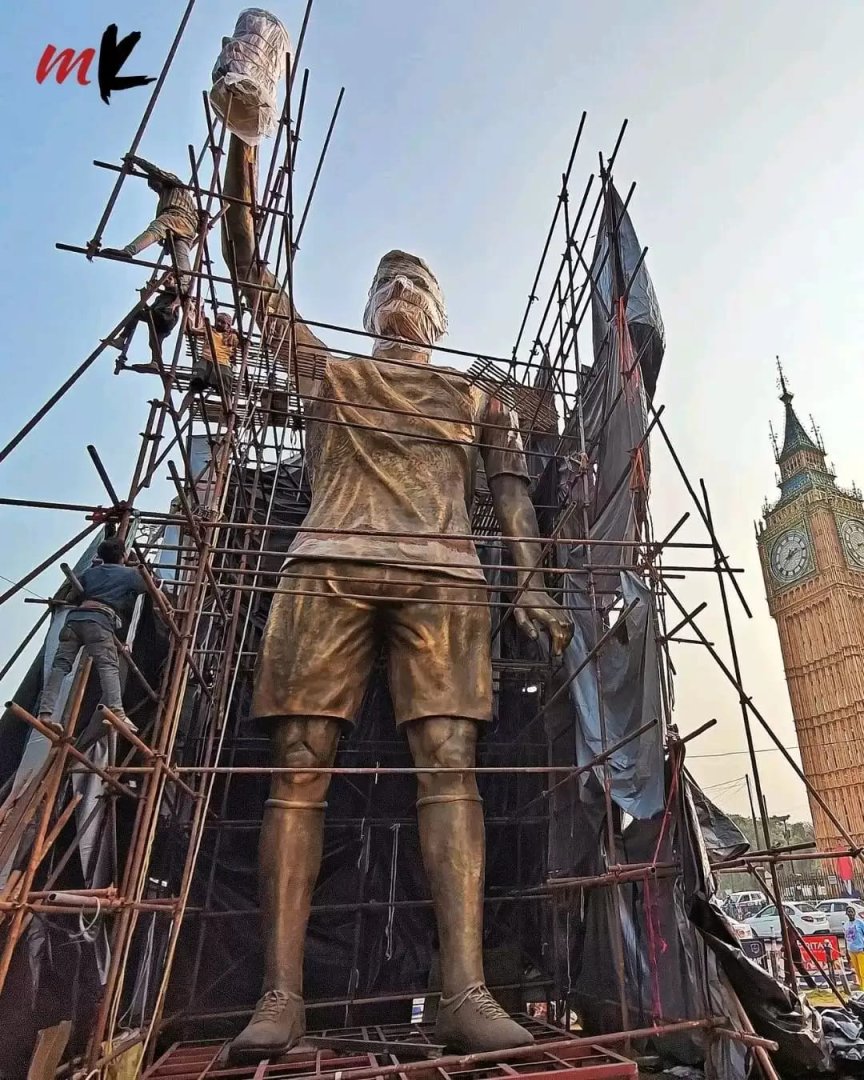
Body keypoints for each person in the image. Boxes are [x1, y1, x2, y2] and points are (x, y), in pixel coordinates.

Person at [221, 134, 574, 1061]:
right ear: (367, 306)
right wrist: (243, 151)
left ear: (442, 312)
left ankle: (462, 988)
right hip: (324, 566)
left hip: (446, 576)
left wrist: (530, 584)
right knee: (298, 770)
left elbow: (510, 497)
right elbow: (252, 276)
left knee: (450, 767)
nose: (401, 296)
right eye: (386, 284)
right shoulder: (330, 374)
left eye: (417, 285)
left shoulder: (474, 397)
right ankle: (280, 995)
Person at [37, 537, 149, 730]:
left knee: (61, 666)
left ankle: (45, 713)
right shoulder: (130, 574)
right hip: (99, 621)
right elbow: (150, 588)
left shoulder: (89, 572)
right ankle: (116, 711)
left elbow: (72, 596)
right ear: (123, 555)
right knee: (108, 666)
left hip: (73, 621)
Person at [101, 155, 199, 294]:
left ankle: (129, 251)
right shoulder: (171, 196)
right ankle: (184, 286)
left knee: (157, 227)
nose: (155, 188)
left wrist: (136, 160)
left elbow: (155, 171)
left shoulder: (175, 184)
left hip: (177, 217)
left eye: (155, 185)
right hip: (188, 228)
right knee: (181, 256)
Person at [110, 285, 183, 375]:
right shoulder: (159, 297)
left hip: (166, 318)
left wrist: (173, 305)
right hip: (159, 320)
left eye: (170, 278)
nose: (167, 281)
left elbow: (181, 298)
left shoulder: (174, 290)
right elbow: (148, 310)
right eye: (166, 280)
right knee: (154, 342)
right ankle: (155, 363)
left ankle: (121, 339)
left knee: (136, 314)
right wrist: (143, 297)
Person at [188, 311, 240, 391]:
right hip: (206, 359)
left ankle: (229, 403)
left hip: (223, 364)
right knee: (195, 385)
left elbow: (243, 345)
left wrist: (238, 334)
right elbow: (191, 330)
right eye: (218, 321)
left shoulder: (232, 337)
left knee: (225, 390)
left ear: (228, 326)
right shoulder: (209, 330)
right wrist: (189, 313)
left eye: (222, 322)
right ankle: (183, 404)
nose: (219, 323)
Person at [844, 906, 864, 988]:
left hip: (860, 950)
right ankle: (861, 986)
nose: (850, 913)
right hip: (851, 951)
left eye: (852, 911)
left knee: (862, 970)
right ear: (846, 913)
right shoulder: (845, 925)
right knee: (857, 970)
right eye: (848, 912)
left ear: (854, 913)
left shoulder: (859, 922)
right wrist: (846, 950)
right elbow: (845, 938)